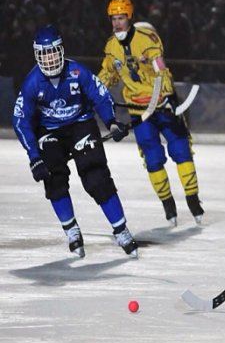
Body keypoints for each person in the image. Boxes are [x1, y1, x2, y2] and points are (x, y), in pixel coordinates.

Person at [12, 25, 137, 258]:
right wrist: (34, 158)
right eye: (44, 53)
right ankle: (72, 231)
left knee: (96, 176)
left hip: (81, 124)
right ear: (37, 55)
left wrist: (111, 122)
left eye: (53, 52)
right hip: (49, 131)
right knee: (53, 179)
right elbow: (21, 121)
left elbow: (100, 95)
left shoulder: (78, 72)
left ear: (61, 50)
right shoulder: (31, 83)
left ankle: (121, 230)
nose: (49, 59)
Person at [97, 0, 204, 227]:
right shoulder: (111, 48)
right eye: (114, 19)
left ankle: (193, 199)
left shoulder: (148, 40)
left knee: (181, 149)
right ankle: (168, 205)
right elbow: (107, 75)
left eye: (121, 18)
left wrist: (166, 95)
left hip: (163, 105)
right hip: (139, 110)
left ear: (129, 17)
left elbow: (161, 70)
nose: (117, 24)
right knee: (153, 158)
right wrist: (92, 94)